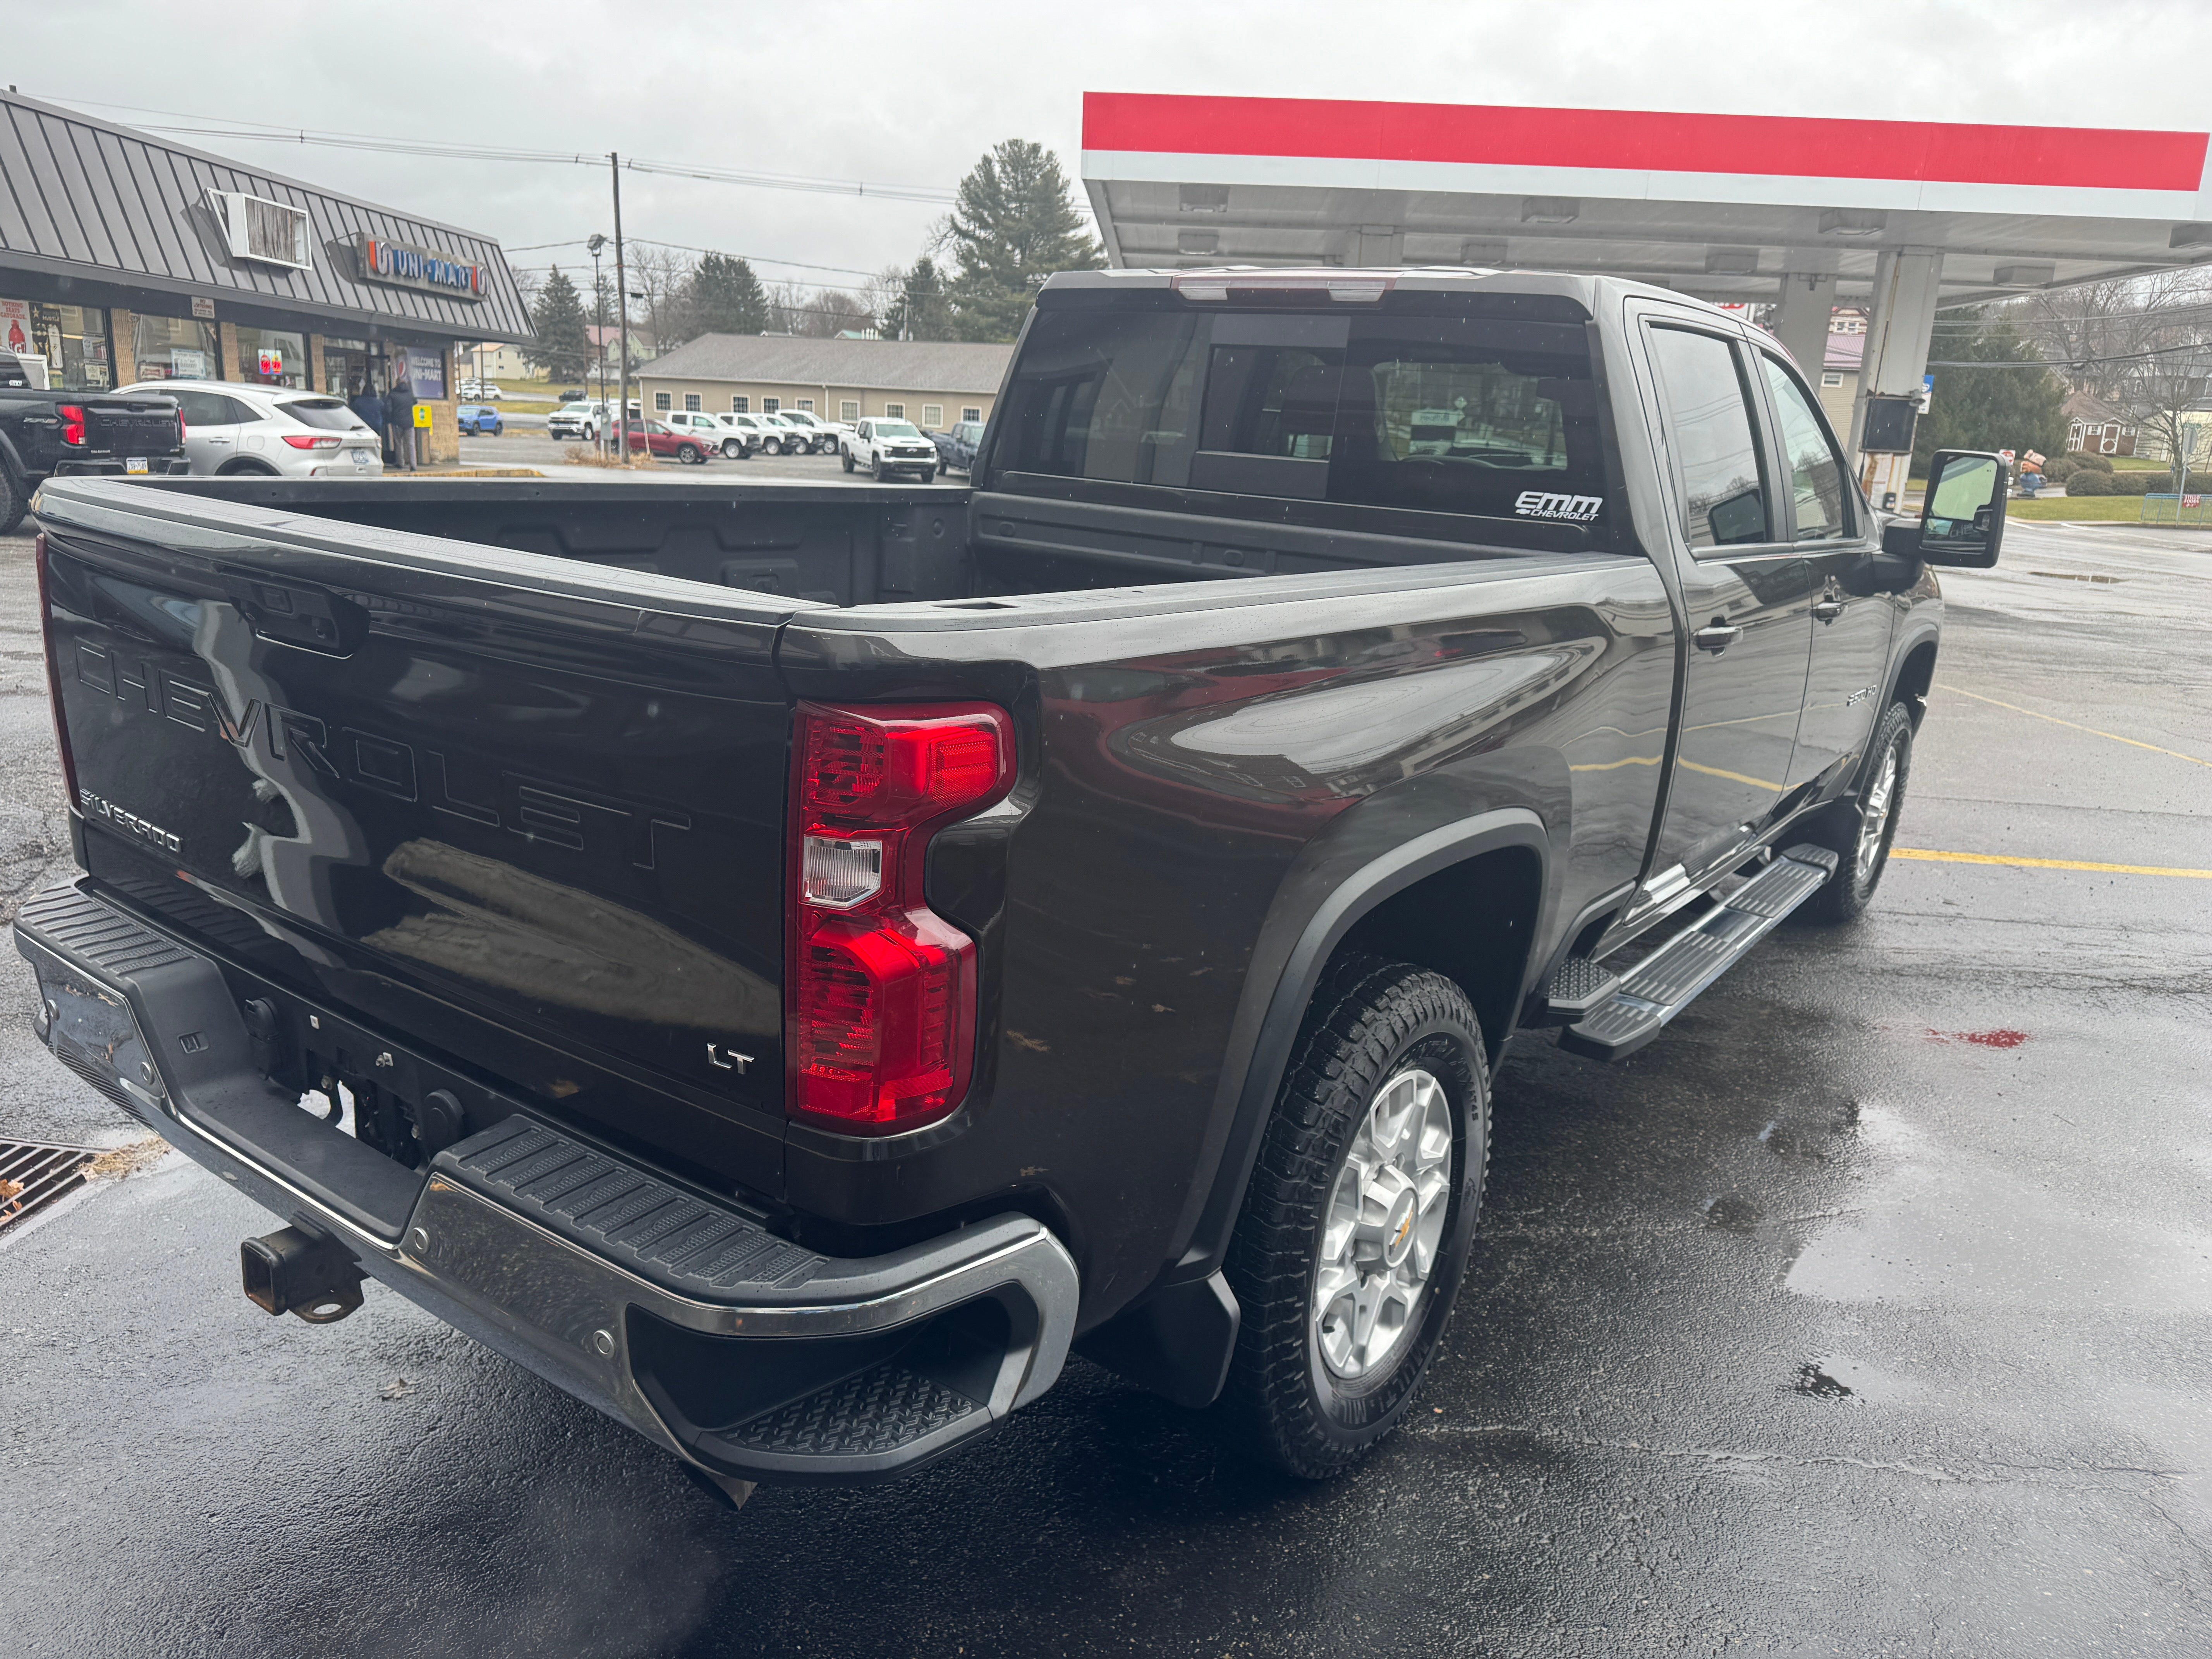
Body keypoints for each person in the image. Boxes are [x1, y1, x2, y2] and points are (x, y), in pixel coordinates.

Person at [386, 362, 416, 471]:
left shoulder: (393, 394)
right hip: (409, 423)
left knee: (399, 444)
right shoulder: (410, 394)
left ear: (397, 384)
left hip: (397, 423)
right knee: (411, 444)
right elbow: (415, 402)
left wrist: (391, 417)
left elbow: (388, 409)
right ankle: (413, 465)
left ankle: (401, 463)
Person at [349, 378, 384, 455]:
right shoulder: (379, 403)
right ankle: (378, 456)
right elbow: (385, 412)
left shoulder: (358, 402)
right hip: (376, 426)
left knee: (364, 445)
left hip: (363, 427)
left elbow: (352, 413)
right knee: (377, 444)